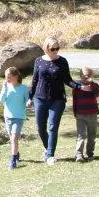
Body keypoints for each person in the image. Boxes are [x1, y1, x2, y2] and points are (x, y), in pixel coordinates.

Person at [29, 37, 73, 165]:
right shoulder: (38, 61)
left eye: (57, 48)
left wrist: (80, 86)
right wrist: (29, 97)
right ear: (46, 48)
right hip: (40, 98)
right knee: (40, 128)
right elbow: (34, 81)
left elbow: (68, 80)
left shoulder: (62, 61)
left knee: (53, 127)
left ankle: (50, 155)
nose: (55, 51)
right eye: (53, 49)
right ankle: (47, 149)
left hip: (57, 99)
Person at [0, 66, 29, 170]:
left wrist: (29, 102)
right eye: (6, 77)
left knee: (14, 138)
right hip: (8, 116)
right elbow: (1, 99)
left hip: (19, 117)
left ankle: (13, 160)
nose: (7, 79)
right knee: (12, 139)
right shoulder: (7, 87)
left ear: (16, 76)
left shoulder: (23, 88)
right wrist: (4, 88)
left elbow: (27, 100)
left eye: (9, 77)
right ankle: (16, 153)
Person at [71, 66, 99, 162]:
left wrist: (91, 84)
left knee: (92, 135)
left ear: (92, 76)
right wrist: (75, 112)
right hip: (80, 114)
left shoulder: (94, 86)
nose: (86, 78)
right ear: (80, 76)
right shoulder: (77, 86)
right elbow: (74, 100)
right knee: (81, 135)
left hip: (92, 113)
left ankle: (90, 153)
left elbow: (97, 94)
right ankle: (79, 154)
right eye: (84, 76)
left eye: (88, 76)